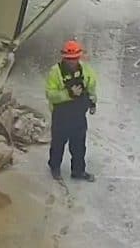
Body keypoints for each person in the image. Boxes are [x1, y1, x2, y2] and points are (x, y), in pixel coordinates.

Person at [45, 39, 97, 182]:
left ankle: (78, 171)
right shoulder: (55, 72)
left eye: (75, 58)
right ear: (64, 57)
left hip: (78, 115)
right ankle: (55, 167)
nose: (72, 62)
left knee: (79, 146)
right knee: (58, 144)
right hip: (61, 115)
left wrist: (92, 102)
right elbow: (50, 94)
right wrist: (69, 94)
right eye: (69, 59)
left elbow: (91, 87)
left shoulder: (85, 70)